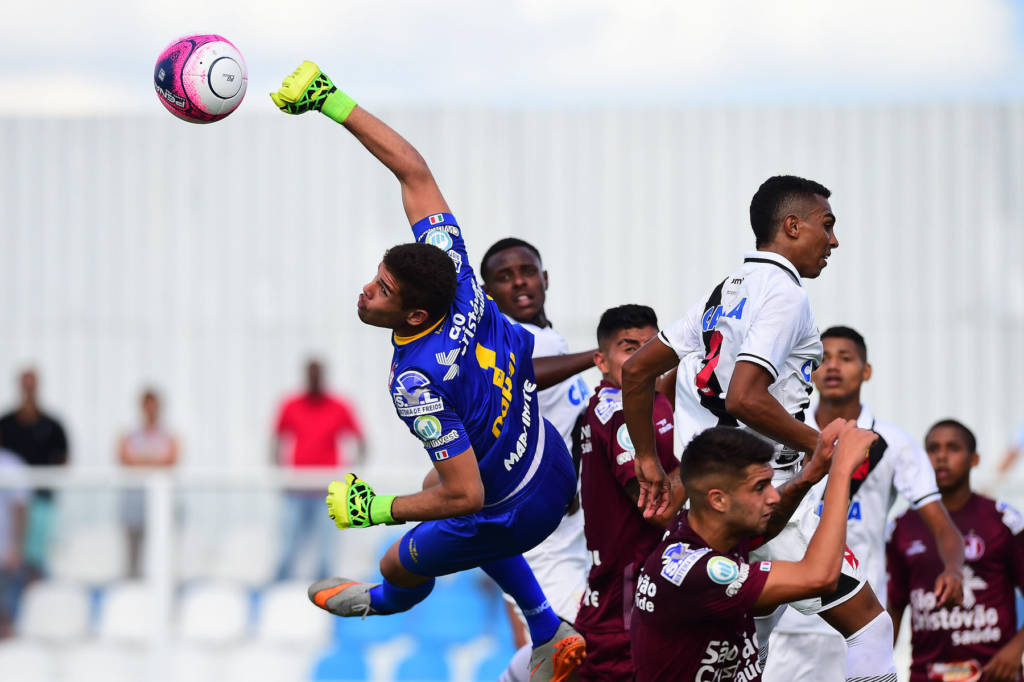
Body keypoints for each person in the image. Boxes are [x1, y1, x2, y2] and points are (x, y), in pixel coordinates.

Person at [271, 61, 585, 681]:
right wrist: (331, 101)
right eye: (377, 275)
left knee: (398, 562)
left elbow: (466, 496)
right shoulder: (456, 273)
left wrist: (376, 508)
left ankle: (380, 603)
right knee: (439, 484)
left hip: (518, 508)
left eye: (383, 291)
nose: (367, 291)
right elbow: (413, 171)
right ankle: (547, 627)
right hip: (548, 461)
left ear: (415, 314)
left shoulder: (416, 381)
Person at [621, 176, 937, 679]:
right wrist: (824, 446)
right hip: (767, 500)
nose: (834, 240)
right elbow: (745, 397)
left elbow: (636, 371)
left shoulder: (726, 289)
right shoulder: (786, 294)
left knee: (744, 651)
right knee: (871, 628)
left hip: (713, 504)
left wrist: (647, 460)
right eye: (826, 225)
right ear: (792, 226)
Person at [764, 327, 964, 681]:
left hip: (857, 620)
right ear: (810, 370)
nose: (833, 366)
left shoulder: (895, 443)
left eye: (845, 358)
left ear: (866, 371)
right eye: (824, 359)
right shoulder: (782, 435)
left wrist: (953, 569)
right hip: (787, 621)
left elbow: (943, 526)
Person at [630, 420, 880, 681]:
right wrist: (841, 471)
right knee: (874, 628)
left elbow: (768, 526)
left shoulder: (701, 528)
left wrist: (811, 472)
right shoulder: (700, 573)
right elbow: (821, 577)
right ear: (718, 500)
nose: (773, 496)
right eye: (760, 488)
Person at [479, 238, 593, 672]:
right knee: (565, 652)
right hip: (541, 532)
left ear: (544, 278)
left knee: (557, 653)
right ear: (488, 293)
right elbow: (518, 375)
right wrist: (597, 357)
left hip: (571, 530)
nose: (519, 282)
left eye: (527, 271)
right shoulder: (505, 340)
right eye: (504, 277)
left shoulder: (549, 340)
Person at [573, 304, 683, 680]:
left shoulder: (650, 399)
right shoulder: (617, 412)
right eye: (629, 348)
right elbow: (658, 511)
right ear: (601, 362)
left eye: (650, 348)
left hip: (643, 598)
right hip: (624, 606)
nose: (641, 359)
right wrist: (703, 460)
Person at [887, 420, 1024, 682]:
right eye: (933, 449)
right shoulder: (902, 527)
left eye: (953, 448)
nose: (941, 456)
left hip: (994, 674)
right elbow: (894, 607)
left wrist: (1015, 651)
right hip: (927, 674)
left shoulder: (1003, 521)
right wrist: (875, 667)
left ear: (974, 459)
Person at [272, 359, 366, 580]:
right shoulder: (291, 405)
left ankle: (326, 584)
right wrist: (279, 475)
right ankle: (281, 583)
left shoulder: (339, 406)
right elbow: (276, 440)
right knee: (288, 542)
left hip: (328, 488)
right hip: (297, 487)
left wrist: (352, 478)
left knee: (327, 546)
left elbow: (360, 441)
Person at [0, 368, 69, 578]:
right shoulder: (7, 423)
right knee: (12, 559)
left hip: (41, 499)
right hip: (10, 503)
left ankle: (34, 592)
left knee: (35, 558)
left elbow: (64, 458)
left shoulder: (52, 424)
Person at [117, 388, 179, 578]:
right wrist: (154, 461)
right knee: (133, 553)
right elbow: (125, 459)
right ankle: (132, 584)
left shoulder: (168, 436)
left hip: (160, 504)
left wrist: (142, 461)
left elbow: (171, 460)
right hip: (135, 503)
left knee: (161, 549)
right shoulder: (131, 436)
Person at [0, 445, 29, 638]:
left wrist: (16, 546)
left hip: (4, 550)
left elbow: (20, 507)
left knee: (5, 615)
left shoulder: (10, 464)